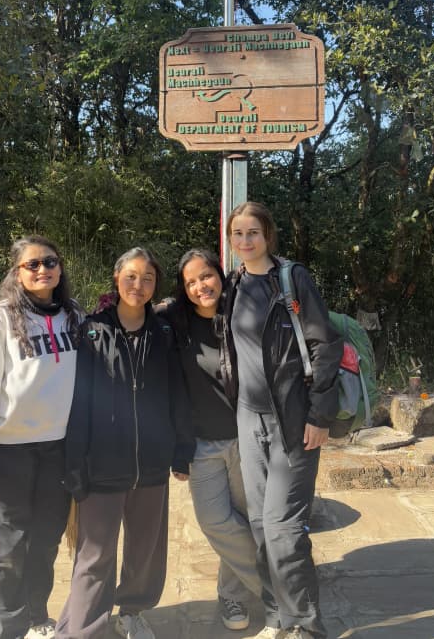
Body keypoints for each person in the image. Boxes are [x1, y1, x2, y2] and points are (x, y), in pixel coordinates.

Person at [57, 247, 196, 639]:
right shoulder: (93, 331)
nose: (139, 285)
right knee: (94, 555)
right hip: (102, 464)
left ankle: (133, 611)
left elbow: (177, 394)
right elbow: (79, 402)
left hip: (152, 463)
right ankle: (83, 629)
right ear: (116, 280)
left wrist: (182, 450)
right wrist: (74, 461)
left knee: (145, 551)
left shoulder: (164, 333)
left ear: (156, 285)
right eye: (131, 276)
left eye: (148, 278)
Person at [220, 202, 342, 639]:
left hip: (293, 421)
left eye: (253, 232)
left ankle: (306, 624)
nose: (245, 241)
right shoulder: (232, 283)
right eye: (238, 233)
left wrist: (320, 414)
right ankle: (276, 615)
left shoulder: (291, 279)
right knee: (259, 525)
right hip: (247, 419)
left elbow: (325, 345)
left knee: (284, 528)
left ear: (267, 236)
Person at [0, 235, 82, 639]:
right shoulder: (2, 317)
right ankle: (8, 627)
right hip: (10, 450)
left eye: (50, 262)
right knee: (10, 544)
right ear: (18, 272)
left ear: (60, 269)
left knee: (45, 538)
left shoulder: (73, 316)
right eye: (33, 264)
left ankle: (36, 617)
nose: (43, 269)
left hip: (59, 448)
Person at [158, 248, 261, 632]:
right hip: (201, 445)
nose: (201, 286)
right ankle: (276, 584)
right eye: (191, 282)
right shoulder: (173, 321)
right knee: (216, 521)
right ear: (183, 290)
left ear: (219, 275)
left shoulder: (241, 316)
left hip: (246, 441)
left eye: (206, 276)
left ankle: (232, 594)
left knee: (245, 520)